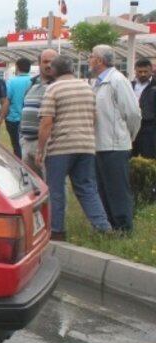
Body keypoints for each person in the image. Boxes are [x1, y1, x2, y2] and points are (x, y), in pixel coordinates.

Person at [36, 54, 112, 241]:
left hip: (61, 147)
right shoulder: (87, 87)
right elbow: (94, 117)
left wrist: (40, 149)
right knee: (87, 188)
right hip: (86, 145)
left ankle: (57, 230)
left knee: (56, 189)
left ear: (54, 70)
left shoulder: (53, 89)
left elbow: (46, 122)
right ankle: (103, 227)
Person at [90, 44, 141, 233]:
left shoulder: (117, 80)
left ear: (100, 60)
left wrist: (129, 136)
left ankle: (124, 228)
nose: (89, 60)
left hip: (115, 146)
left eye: (91, 57)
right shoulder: (98, 82)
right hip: (100, 145)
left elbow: (133, 113)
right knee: (103, 189)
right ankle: (111, 226)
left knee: (117, 190)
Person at [19, 49, 57, 178]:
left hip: (47, 144)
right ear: (39, 63)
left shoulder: (59, 85)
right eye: (45, 62)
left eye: (52, 62)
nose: (48, 65)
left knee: (51, 184)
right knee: (31, 186)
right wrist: (22, 139)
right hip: (27, 142)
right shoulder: (32, 83)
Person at [5, 57, 33, 159]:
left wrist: (4, 117)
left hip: (13, 119)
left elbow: (7, 101)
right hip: (29, 121)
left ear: (17, 67)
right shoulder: (33, 82)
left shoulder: (11, 82)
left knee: (16, 146)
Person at [132, 57, 156, 159]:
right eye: (140, 71)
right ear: (135, 71)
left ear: (151, 70)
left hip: (150, 129)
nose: (142, 74)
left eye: (145, 71)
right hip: (133, 128)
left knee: (149, 158)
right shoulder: (130, 86)